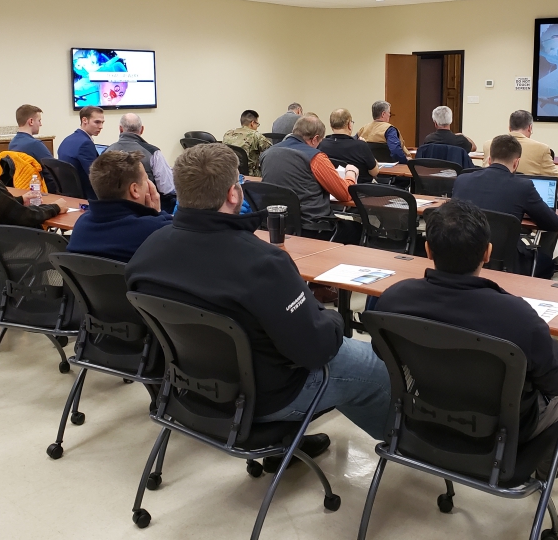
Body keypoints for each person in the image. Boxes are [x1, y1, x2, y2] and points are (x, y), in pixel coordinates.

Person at [126, 143, 391, 459]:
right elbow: (316, 349)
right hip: (268, 397)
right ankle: (404, 443)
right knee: (375, 365)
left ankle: (286, 446)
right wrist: (333, 319)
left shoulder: (147, 252)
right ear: (233, 194)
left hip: (191, 388)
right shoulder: (264, 263)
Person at [377, 200, 558, 473]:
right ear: (488, 253)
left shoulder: (393, 299)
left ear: (428, 250)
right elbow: (556, 382)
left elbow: (382, 352)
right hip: (502, 430)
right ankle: (545, 472)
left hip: (425, 414)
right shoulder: (518, 316)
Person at [453, 135, 558, 276]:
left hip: (462, 253)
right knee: (547, 264)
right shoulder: (523, 186)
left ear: (489, 159)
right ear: (516, 163)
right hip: (505, 261)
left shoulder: (462, 180)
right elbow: (553, 224)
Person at [260, 116, 359, 238]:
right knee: (358, 229)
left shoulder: (267, 154)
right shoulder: (315, 158)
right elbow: (345, 194)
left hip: (276, 227)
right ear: (315, 139)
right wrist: (351, 173)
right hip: (312, 228)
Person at [66, 150, 171, 262]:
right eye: (146, 180)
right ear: (134, 190)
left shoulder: (81, 225)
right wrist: (157, 213)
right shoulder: (155, 229)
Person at [106, 113, 177, 209]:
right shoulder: (153, 152)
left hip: (112, 209)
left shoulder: (106, 152)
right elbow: (167, 188)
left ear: (120, 129)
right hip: (147, 210)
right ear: (142, 129)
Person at [318, 108, 379, 183]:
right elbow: (374, 172)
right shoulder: (361, 146)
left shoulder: (321, 144)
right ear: (349, 125)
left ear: (331, 126)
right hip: (359, 188)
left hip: (331, 187)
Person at [58, 106, 104, 200]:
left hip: (68, 196)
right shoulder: (85, 144)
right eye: (97, 122)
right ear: (84, 120)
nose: (101, 127)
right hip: (87, 197)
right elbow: (96, 176)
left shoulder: (67, 140)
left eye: (102, 122)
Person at [507, 110, 558, 187]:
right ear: (530, 128)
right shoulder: (541, 149)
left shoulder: (491, 145)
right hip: (526, 193)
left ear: (509, 128)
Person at [222, 109, 272, 177]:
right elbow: (272, 152)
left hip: (229, 174)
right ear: (252, 123)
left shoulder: (228, 133)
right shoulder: (255, 135)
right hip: (250, 176)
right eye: (257, 124)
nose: (257, 127)